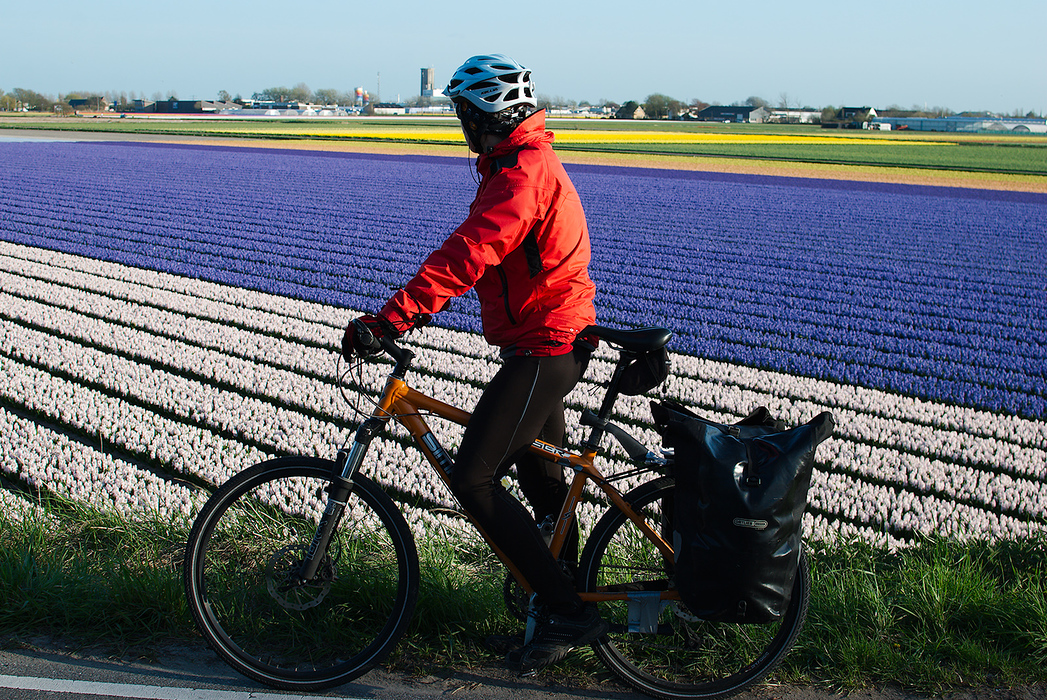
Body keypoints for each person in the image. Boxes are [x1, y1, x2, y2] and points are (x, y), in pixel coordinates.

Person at [341, 54, 608, 675]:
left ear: (484, 113)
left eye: (463, 112)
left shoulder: (522, 172)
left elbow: (474, 249)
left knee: (472, 478)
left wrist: (394, 317)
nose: (459, 124)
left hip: (548, 345)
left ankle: (567, 608)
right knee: (545, 494)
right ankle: (553, 619)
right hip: (542, 341)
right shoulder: (515, 164)